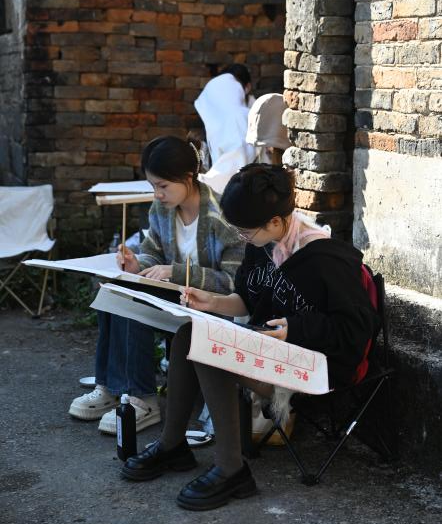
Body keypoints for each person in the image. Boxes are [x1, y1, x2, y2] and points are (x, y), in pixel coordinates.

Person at [121, 163, 379, 511]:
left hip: (320, 363)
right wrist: (212, 301)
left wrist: (296, 330)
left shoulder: (325, 259)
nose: (242, 239)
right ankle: (173, 446)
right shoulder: (263, 243)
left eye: (245, 232)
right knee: (188, 333)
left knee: (211, 350)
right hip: (275, 347)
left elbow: (357, 330)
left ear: (274, 221)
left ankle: (232, 469)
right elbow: (246, 299)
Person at [68, 136, 245, 435]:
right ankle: (110, 387)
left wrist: (175, 272)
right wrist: (136, 264)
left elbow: (232, 281)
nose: (157, 194)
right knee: (113, 291)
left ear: (188, 177)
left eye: (163, 186)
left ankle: (143, 399)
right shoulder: (162, 209)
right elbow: (152, 252)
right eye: (153, 186)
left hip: (210, 306)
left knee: (133, 299)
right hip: (175, 298)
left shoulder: (222, 216)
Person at [195, 64, 256, 193]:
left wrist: (201, 182)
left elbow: (234, 164)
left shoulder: (240, 118)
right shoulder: (218, 121)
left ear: (247, 87)